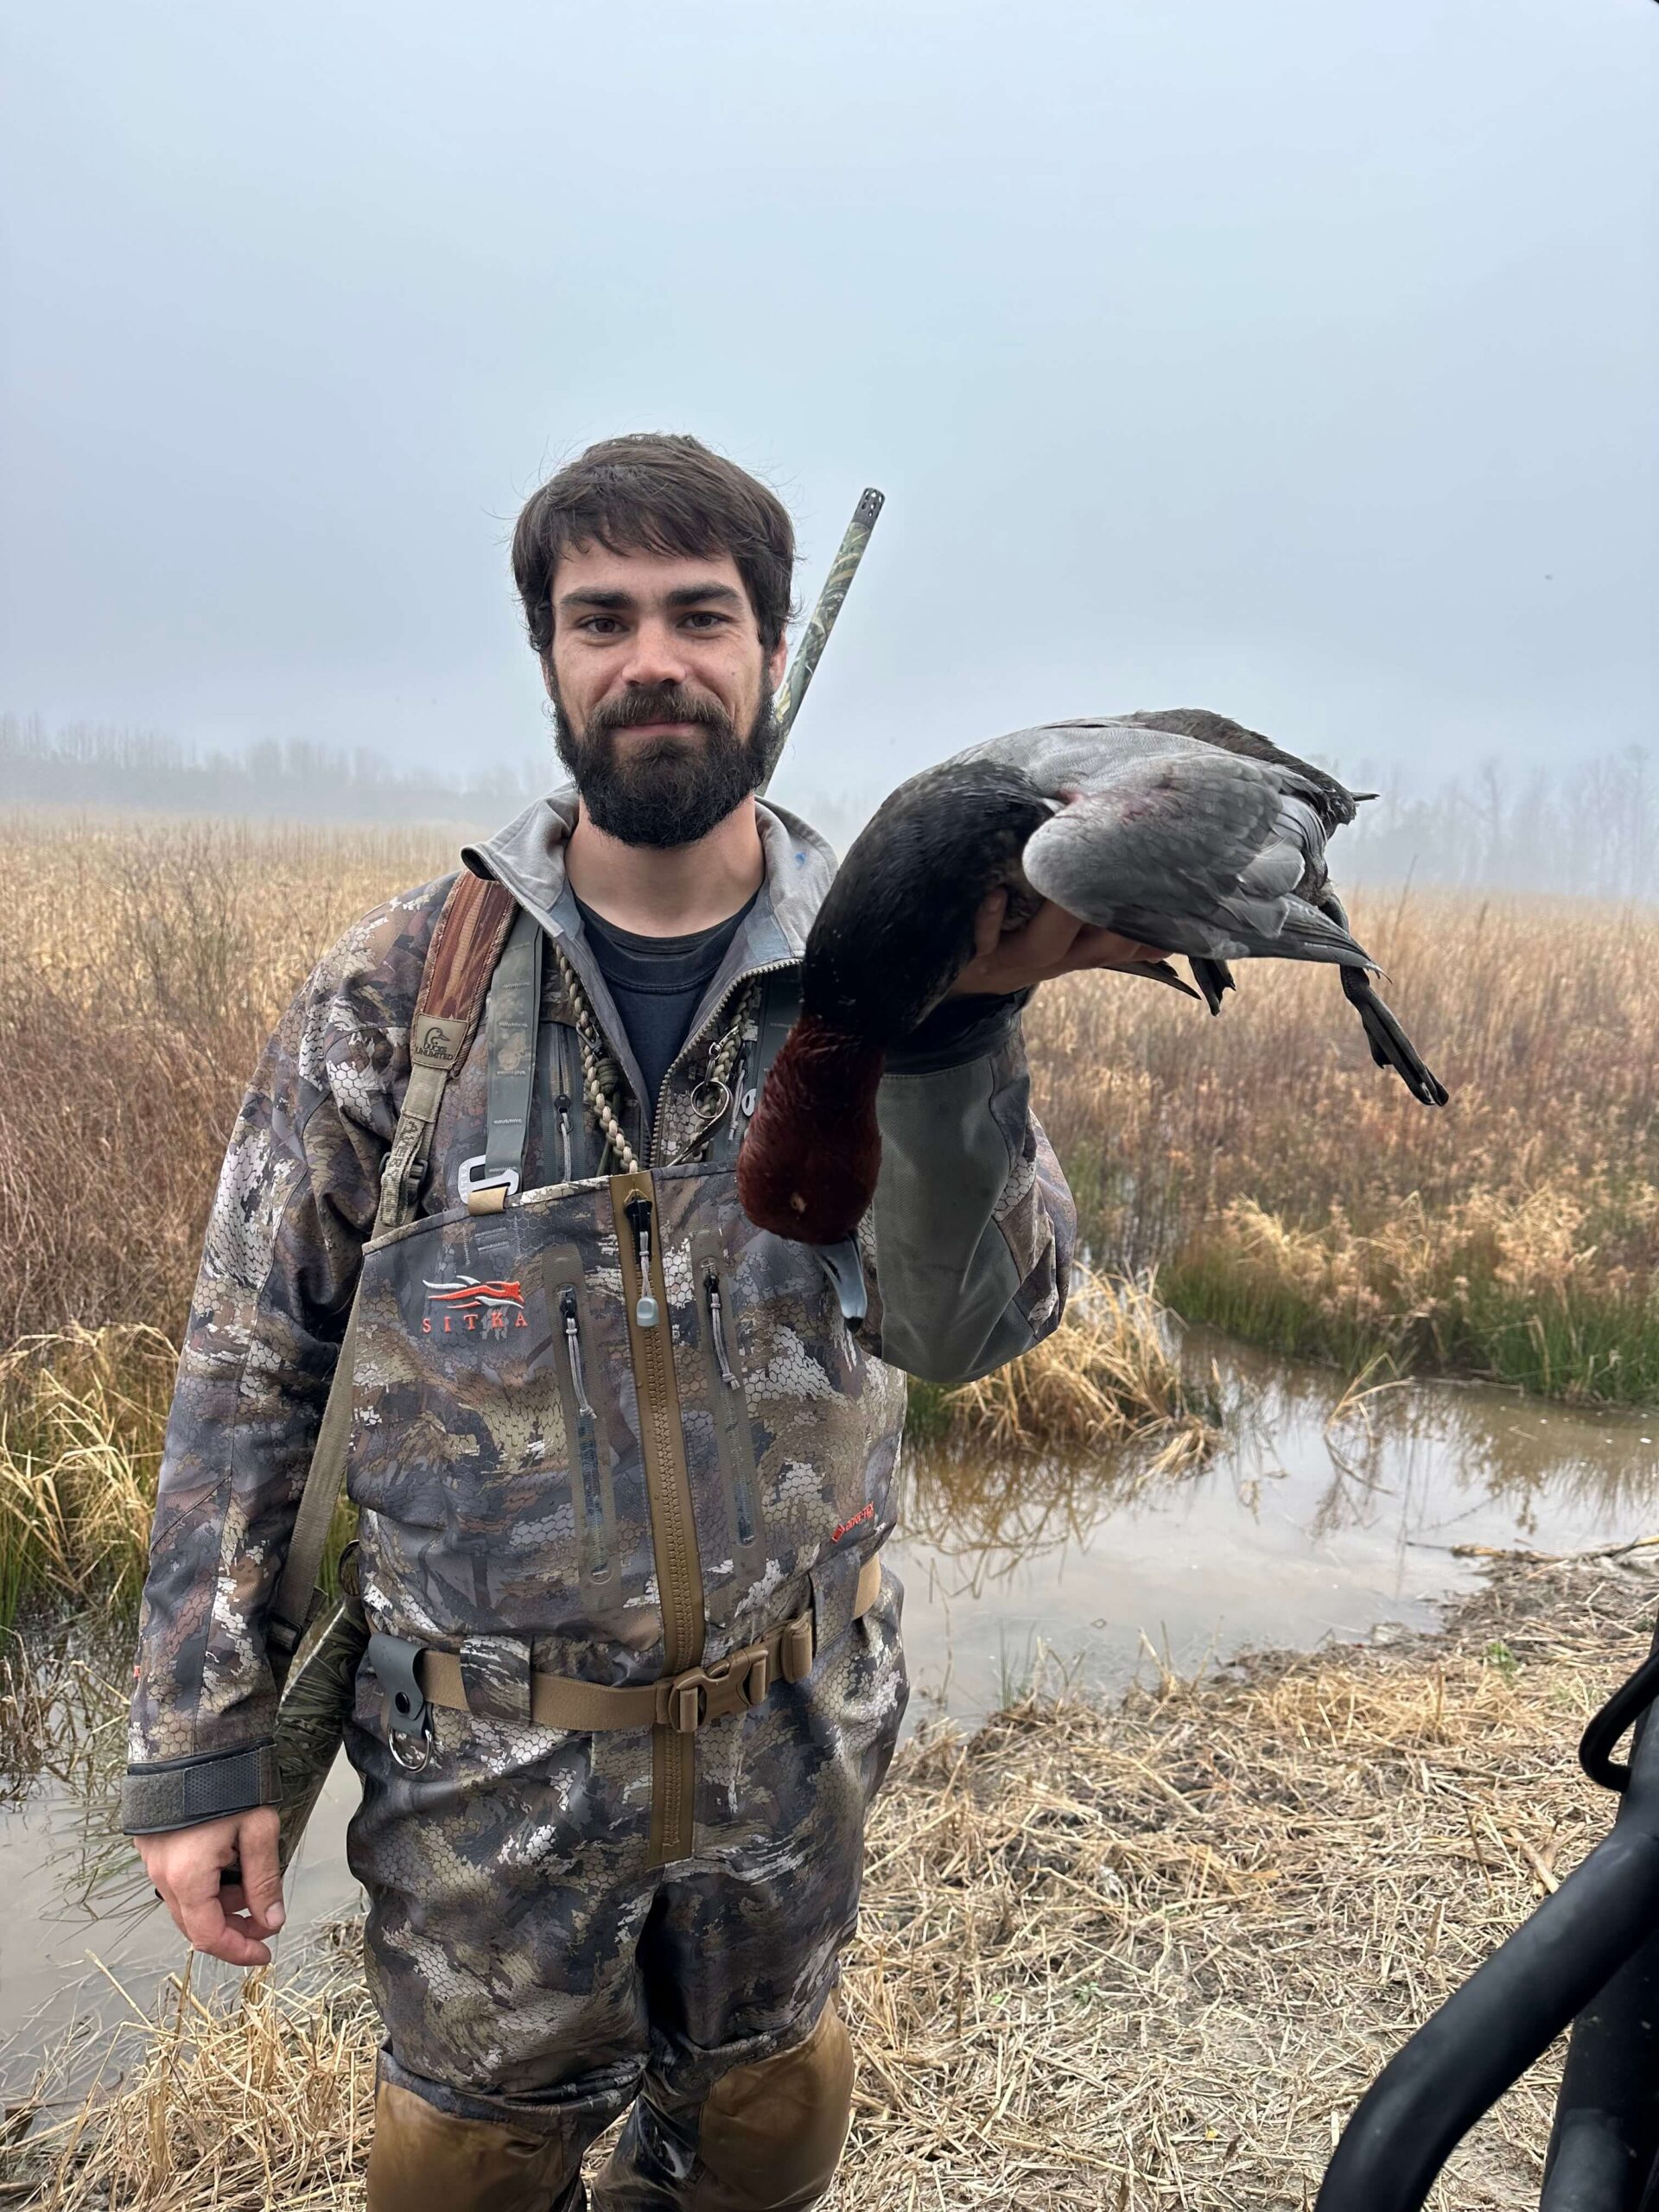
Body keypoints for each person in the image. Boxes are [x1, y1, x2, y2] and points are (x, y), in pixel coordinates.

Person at [123, 435, 1162, 2211]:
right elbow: (250, 1365)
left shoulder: (902, 957)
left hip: (792, 1754)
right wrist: (198, 1745)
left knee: (765, 2132)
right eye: (601, 617)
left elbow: (977, 1325)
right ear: (548, 659)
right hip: (486, 1786)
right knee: (461, 2163)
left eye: (701, 613)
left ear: (766, 651)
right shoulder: (397, 998)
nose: (653, 658)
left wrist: (953, 1037)